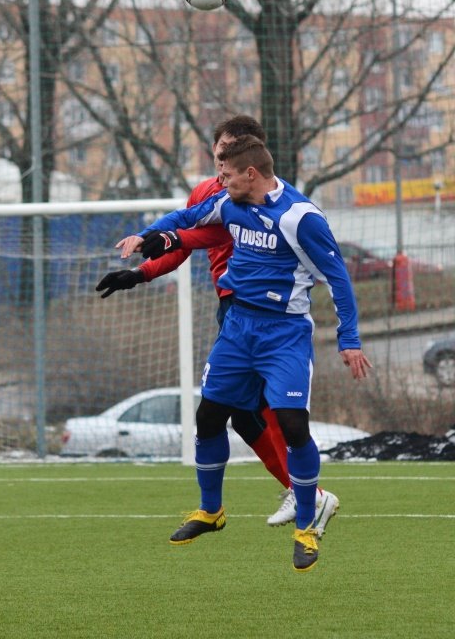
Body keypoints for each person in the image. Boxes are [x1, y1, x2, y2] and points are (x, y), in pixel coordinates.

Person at [111, 134, 372, 573]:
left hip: (283, 333)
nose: (220, 180)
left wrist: (349, 340)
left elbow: (339, 278)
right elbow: (187, 219)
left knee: (292, 424)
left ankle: (307, 527)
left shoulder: (301, 217)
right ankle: (210, 510)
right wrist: (148, 235)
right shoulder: (229, 202)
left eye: (227, 173)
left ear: (251, 173)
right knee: (210, 417)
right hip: (237, 328)